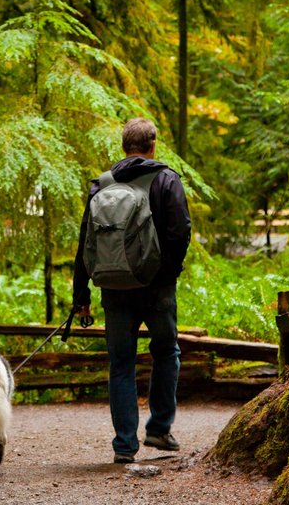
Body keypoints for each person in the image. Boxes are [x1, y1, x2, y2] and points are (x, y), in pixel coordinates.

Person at [72, 117, 192, 464]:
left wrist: (82, 296)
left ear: (124, 147)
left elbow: (86, 243)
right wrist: (165, 273)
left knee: (121, 364)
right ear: (153, 146)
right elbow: (179, 231)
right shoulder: (166, 179)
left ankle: (124, 446)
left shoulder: (102, 184)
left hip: (114, 288)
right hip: (157, 289)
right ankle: (158, 429)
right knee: (166, 352)